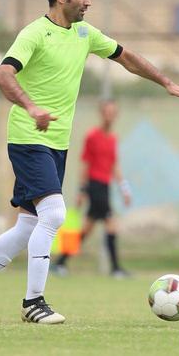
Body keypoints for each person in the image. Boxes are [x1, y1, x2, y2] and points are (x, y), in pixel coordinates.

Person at [0, 0, 179, 324]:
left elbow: (127, 58)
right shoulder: (34, 33)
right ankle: (33, 302)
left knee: (28, 228)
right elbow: (2, 75)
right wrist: (31, 107)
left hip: (55, 144)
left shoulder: (84, 34)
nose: (88, 1)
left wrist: (167, 83)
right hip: (28, 138)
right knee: (56, 215)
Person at [52, 100, 131, 278]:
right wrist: (81, 190)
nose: (109, 116)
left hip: (105, 186)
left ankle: (60, 263)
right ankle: (116, 269)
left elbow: (114, 165)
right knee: (111, 225)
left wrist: (124, 188)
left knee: (86, 229)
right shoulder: (92, 136)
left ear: (116, 116)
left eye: (113, 112)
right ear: (101, 114)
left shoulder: (113, 139)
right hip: (94, 186)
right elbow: (85, 164)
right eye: (107, 112)